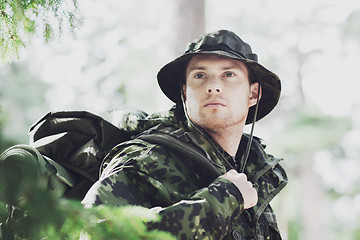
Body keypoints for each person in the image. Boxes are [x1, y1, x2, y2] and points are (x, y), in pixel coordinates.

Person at [82, 29, 288, 240]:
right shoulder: (145, 160)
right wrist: (221, 200)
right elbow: (96, 233)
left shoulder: (254, 175)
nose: (213, 87)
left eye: (229, 74)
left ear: (253, 93)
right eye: (200, 75)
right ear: (184, 93)